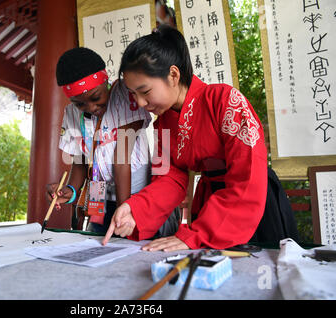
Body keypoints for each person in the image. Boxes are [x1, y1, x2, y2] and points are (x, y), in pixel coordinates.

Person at [102, 25, 268, 251]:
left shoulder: (225, 101)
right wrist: (135, 210)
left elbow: (248, 176)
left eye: (145, 91)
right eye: (134, 94)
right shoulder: (163, 124)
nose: (140, 103)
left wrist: (198, 234)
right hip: (209, 209)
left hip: (248, 208)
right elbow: (170, 178)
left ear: (173, 75)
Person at [47, 47, 180, 235]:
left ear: (106, 82)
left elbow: (121, 158)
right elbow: (80, 161)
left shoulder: (124, 95)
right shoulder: (71, 113)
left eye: (96, 98)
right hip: (101, 198)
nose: (91, 107)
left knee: (138, 247)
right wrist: (70, 190)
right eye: (80, 104)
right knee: (102, 248)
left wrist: (123, 210)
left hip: (137, 196)